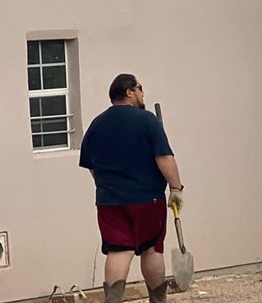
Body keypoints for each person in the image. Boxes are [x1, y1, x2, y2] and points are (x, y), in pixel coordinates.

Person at [79, 73, 185, 303]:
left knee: (118, 251)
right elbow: (164, 157)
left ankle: (113, 299)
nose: (142, 93)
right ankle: (158, 300)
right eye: (140, 88)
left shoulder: (97, 124)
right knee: (151, 249)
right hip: (148, 199)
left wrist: (107, 186)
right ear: (129, 92)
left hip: (109, 202)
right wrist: (176, 188)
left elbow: (91, 165)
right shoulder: (147, 120)